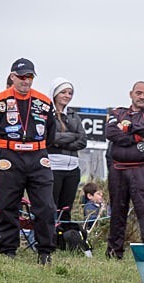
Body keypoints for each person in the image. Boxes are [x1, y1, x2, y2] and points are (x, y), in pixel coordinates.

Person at [0, 58, 56, 264]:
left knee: (45, 205)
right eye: (21, 77)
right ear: (12, 76)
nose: (25, 81)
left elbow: (51, 134)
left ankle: (45, 252)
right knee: (7, 205)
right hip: (9, 157)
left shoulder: (44, 102)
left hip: (37, 157)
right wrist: (5, 149)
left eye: (29, 76)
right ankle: (8, 251)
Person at [104, 81, 144, 259]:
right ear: (131, 94)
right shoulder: (118, 112)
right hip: (118, 169)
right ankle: (114, 252)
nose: (142, 97)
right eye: (138, 93)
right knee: (117, 212)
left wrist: (129, 129)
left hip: (142, 170)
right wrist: (138, 138)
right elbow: (111, 133)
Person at [48, 77, 87, 222]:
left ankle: (63, 240)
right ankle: (47, 239)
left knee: (66, 209)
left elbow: (82, 140)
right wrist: (72, 136)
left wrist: (62, 142)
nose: (67, 96)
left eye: (70, 93)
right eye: (63, 92)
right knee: (51, 206)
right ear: (55, 93)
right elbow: (49, 138)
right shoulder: (47, 113)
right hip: (53, 166)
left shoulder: (73, 115)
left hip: (72, 169)